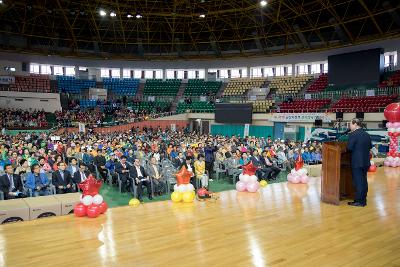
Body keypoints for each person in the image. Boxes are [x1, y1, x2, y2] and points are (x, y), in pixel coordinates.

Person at [347, 118, 372, 207]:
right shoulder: (366, 134)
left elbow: (349, 148)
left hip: (357, 162)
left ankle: (359, 201)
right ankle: (363, 199)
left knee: (358, 182)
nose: (349, 126)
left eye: (350, 124)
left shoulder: (353, 134)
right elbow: (370, 146)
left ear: (355, 124)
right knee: (364, 181)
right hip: (366, 162)